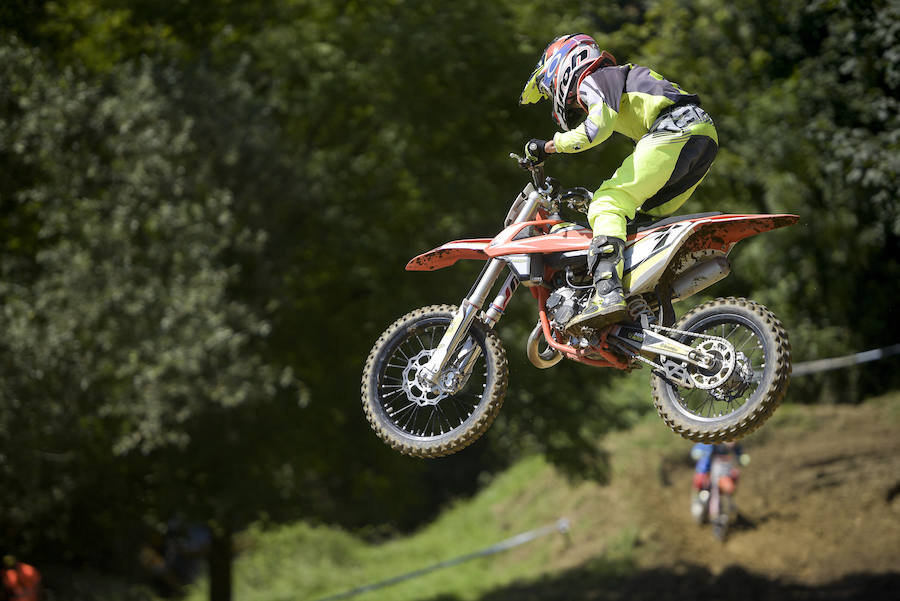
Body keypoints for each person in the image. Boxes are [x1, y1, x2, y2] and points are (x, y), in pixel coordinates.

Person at [519, 34, 719, 331]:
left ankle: (607, 292)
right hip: (703, 136)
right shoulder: (616, 80)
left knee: (608, 202)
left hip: (675, 129)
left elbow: (595, 130)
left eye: (551, 91)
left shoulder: (595, 78)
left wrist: (548, 146)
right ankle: (651, 306)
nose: (569, 104)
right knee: (638, 219)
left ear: (565, 65)